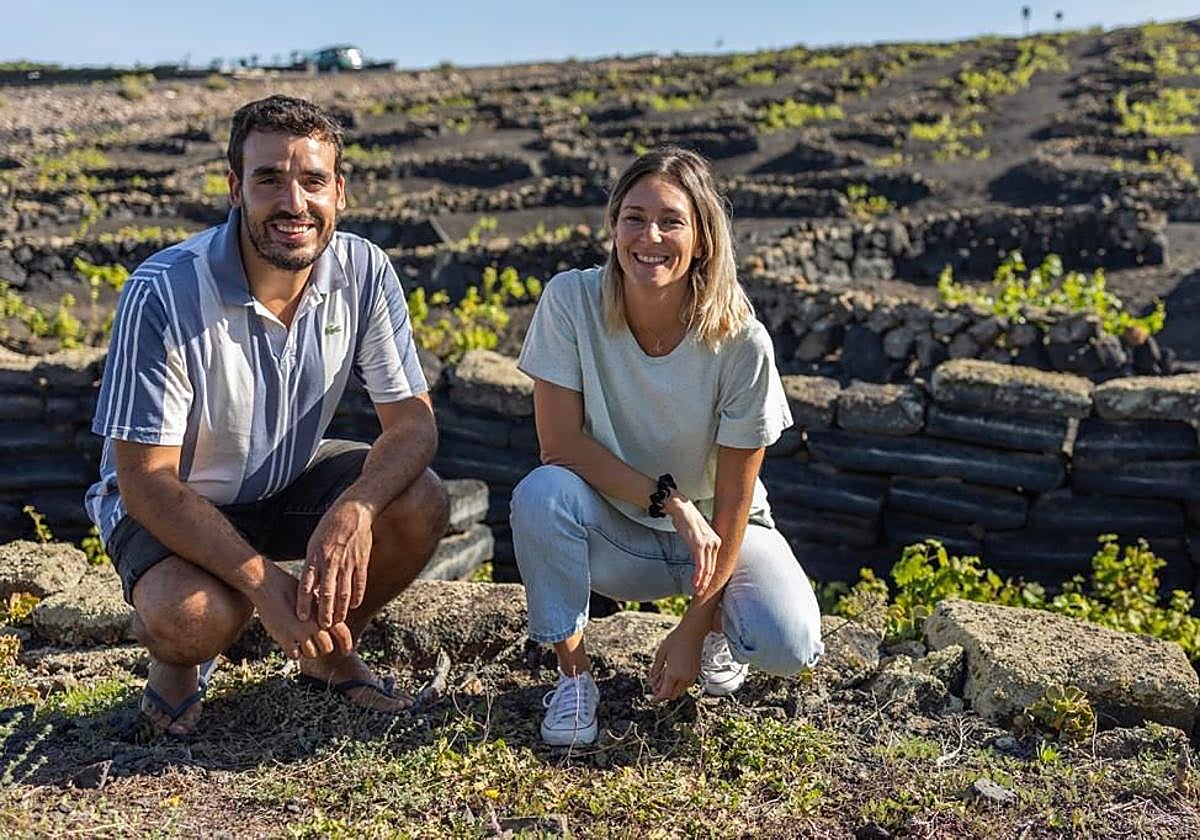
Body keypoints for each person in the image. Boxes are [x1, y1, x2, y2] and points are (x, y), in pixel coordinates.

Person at [85, 94, 449, 735]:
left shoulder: (363, 271)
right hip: (175, 498)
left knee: (419, 500)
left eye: (312, 181)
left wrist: (355, 510)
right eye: (269, 180)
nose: (294, 203)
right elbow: (145, 480)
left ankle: (331, 654)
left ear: (339, 190)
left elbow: (414, 423)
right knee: (191, 617)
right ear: (235, 188)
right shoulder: (164, 291)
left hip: (285, 479)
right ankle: (174, 661)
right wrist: (263, 586)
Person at [510, 146, 824, 746]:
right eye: (633, 217)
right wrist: (672, 505)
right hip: (619, 535)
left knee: (790, 643)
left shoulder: (741, 341)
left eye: (671, 220)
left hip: (721, 539)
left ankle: (716, 636)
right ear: (613, 227)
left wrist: (691, 627)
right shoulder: (571, 302)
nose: (649, 236)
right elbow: (560, 445)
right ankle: (575, 679)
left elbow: (733, 503)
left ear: (702, 237)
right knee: (541, 493)